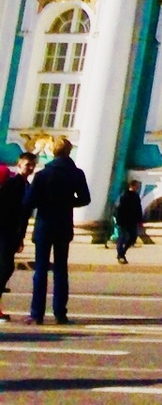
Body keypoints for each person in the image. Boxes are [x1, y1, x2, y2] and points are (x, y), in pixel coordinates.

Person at [24, 137, 89, 324]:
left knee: (41, 269)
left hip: (44, 224)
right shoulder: (76, 173)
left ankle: (37, 313)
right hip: (63, 224)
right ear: (69, 152)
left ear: (54, 151)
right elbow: (85, 199)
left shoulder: (43, 174)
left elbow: (29, 202)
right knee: (61, 269)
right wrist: (68, 203)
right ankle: (60, 313)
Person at [0, 150, 34, 321]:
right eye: (27, 165)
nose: (30, 168)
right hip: (4, 231)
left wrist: (20, 238)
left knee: (5, 268)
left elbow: (25, 214)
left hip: (14, 233)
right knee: (5, 268)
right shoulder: (11, 184)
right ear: (19, 165)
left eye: (32, 165)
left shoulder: (28, 186)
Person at [112, 182, 143, 263]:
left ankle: (122, 253)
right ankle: (120, 255)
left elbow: (138, 209)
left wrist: (140, 220)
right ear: (131, 186)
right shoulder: (124, 195)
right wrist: (118, 220)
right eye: (137, 186)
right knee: (122, 237)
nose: (138, 188)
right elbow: (118, 208)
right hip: (123, 221)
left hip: (132, 221)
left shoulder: (136, 196)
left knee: (133, 237)